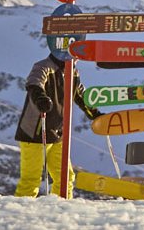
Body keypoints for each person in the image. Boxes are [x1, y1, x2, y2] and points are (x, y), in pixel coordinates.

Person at [12, 44, 98, 196]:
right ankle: (21, 213)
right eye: (75, 54)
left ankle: (60, 207)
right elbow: (34, 83)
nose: (77, 58)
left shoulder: (72, 71)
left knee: (66, 177)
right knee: (31, 179)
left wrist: (95, 114)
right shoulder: (43, 67)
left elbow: (80, 95)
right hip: (34, 132)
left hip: (56, 133)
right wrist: (41, 98)